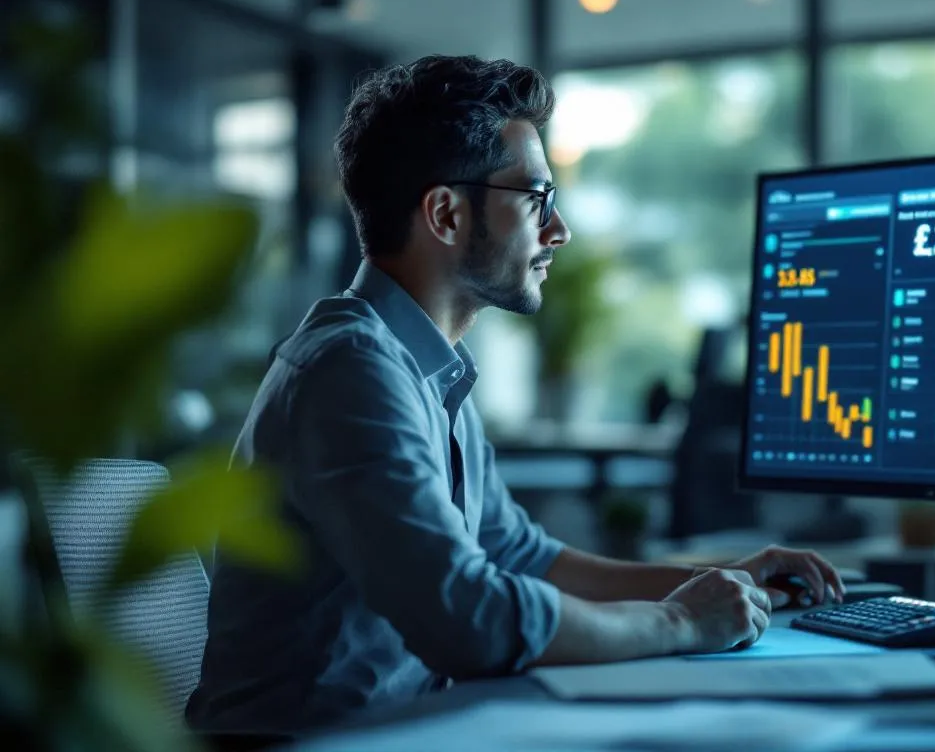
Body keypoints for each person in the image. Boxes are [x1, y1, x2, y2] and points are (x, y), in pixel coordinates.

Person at [185, 55, 846, 737]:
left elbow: (524, 558)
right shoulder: (351, 370)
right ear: (444, 212)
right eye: (536, 199)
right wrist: (679, 621)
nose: (557, 231)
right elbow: (465, 619)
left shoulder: (427, 368)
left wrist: (723, 580)